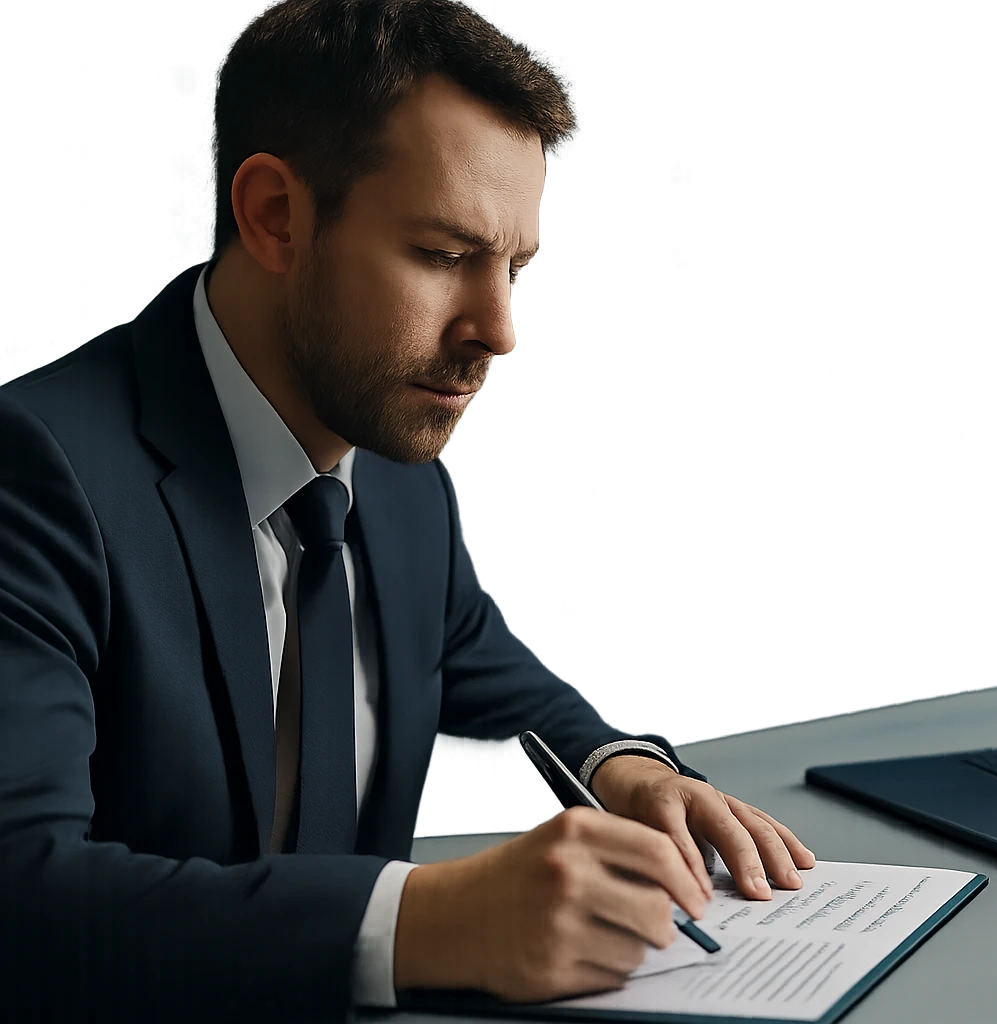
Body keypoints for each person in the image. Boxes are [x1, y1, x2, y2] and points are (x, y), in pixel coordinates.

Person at [0, 1, 814, 1021]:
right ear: (276, 217)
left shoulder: (391, 469)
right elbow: (19, 894)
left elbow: (483, 660)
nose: (500, 331)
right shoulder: (33, 473)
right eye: (442, 255)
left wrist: (627, 769)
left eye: (514, 267)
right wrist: (429, 919)